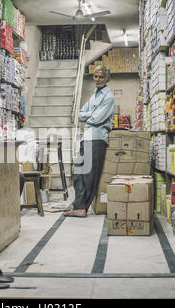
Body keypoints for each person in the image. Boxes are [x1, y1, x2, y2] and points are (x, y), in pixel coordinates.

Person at [64, 65, 116, 218]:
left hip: (97, 139)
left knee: (89, 176)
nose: (97, 79)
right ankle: (78, 203)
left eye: (101, 77)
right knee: (78, 173)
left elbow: (96, 118)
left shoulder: (109, 98)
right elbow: (79, 114)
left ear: (108, 78)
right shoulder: (94, 96)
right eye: (95, 76)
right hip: (86, 137)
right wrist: (89, 115)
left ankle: (83, 208)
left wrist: (88, 115)